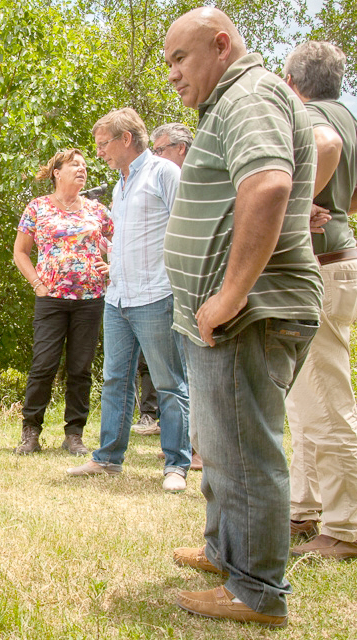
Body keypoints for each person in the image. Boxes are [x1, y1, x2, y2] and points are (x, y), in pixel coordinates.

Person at [162, 8, 323, 627]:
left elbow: (268, 188)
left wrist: (228, 298)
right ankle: (224, 554)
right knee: (223, 445)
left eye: (180, 58)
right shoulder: (234, 98)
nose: (172, 74)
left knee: (245, 450)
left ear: (220, 45)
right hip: (230, 316)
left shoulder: (249, 95)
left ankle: (256, 592)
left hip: (250, 314)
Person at [282, 41, 357, 560]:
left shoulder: (308, 117)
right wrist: (336, 208)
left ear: (291, 79)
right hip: (338, 264)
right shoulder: (346, 117)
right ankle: (303, 511)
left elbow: (319, 152)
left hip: (322, 271)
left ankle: (345, 529)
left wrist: (299, 205)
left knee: (327, 401)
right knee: (305, 398)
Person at [66, 108, 192, 492]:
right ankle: (108, 459)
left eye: (104, 144)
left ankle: (176, 465)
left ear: (125, 139)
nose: (99, 153)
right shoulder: (121, 185)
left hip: (156, 294)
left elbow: (188, 228)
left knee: (169, 382)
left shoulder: (165, 174)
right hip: (118, 298)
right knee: (116, 380)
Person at [13, 149, 113, 456]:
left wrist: (113, 268)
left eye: (84, 166)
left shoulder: (97, 211)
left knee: (80, 368)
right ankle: (30, 432)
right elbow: (20, 252)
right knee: (43, 365)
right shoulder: (38, 208)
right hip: (51, 299)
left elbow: (122, 241)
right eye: (75, 165)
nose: (82, 170)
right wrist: (37, 284)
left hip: (90, 299)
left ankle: (74, 434)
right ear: (57, 172)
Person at [149, 123, 203, 472]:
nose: (155, 157)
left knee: (197, 369)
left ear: (181, 148)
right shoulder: (164, 183)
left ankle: (198, 449)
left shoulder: (198, 180)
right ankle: (185, 442)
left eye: (161, 149)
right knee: (179, 370)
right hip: (168, 288)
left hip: (197, 287)